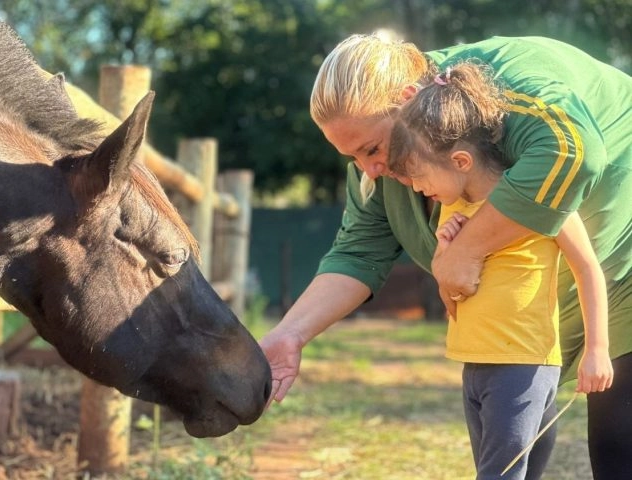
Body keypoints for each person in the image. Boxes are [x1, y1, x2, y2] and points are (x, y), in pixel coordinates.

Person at [258, 33, 632, 480]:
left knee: (617, 443)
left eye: (372, 149)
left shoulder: (499, 90)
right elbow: (358, 253)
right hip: (523, 319)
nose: (369, 169)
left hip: (621, 243)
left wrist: (463, 252)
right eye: (352, 156)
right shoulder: (383, 169)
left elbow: (574, 153)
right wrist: (291, 334)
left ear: (407, 100)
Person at [386, 60, 613, 478]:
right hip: (475, 365)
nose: (417, 189)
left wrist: (597, 349)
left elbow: (587, 268)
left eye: (418, 177)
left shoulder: (541, 198)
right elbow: (452, 292)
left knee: (499, 473)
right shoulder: (452, 208)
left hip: (523, 366)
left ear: (460, 160)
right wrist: (444, 251)